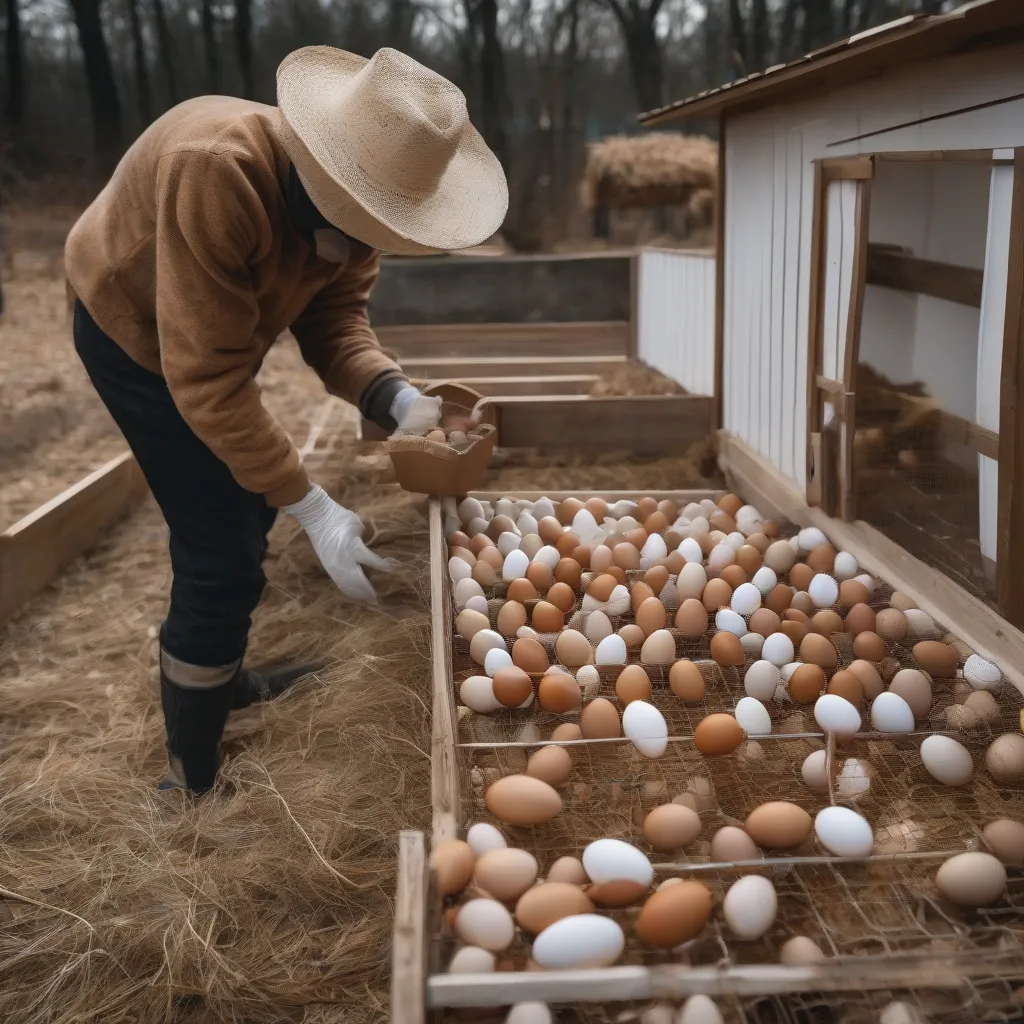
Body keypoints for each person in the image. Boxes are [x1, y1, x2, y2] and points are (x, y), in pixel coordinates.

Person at [65, 46, 508, 794]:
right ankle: (190, 773)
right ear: (329, 173)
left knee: (244, 503)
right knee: (218, 540)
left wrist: (393, 395)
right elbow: (206, 378)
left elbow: (336, 323)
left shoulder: (360, 207)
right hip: (133, 330)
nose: (370, 245)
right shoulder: (217, 172)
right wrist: (311, 505)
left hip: (207, 338)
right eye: (365, 223)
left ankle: (221, 677)